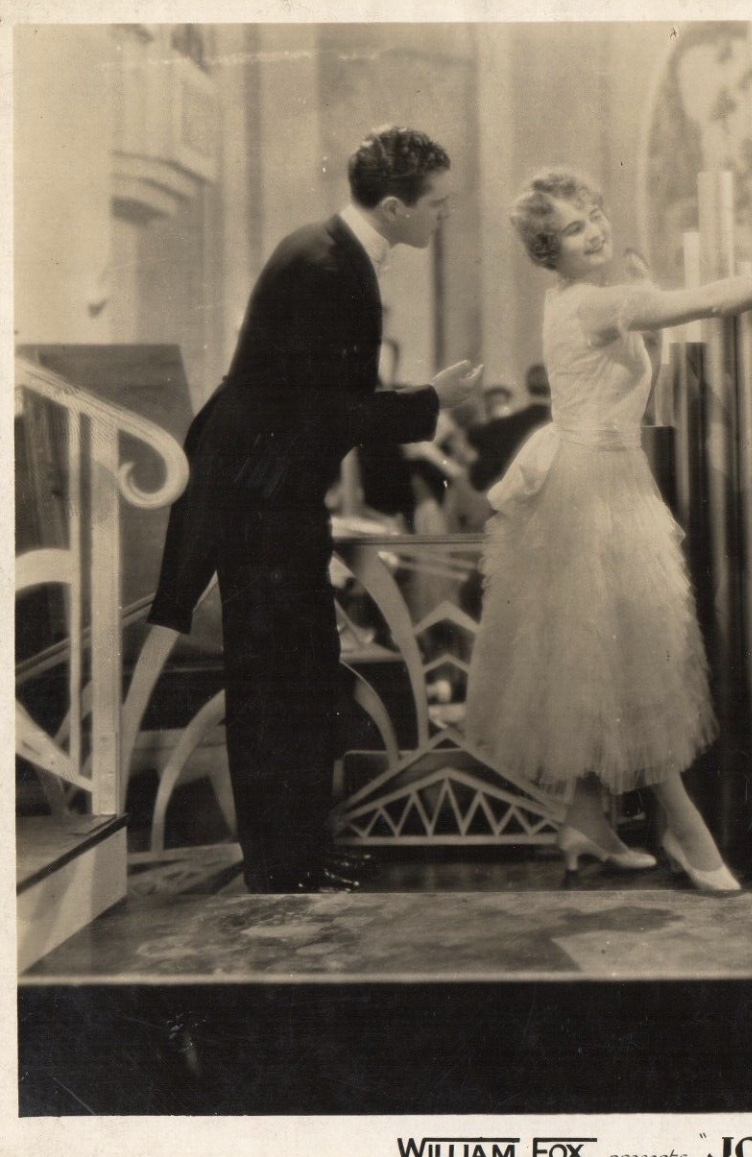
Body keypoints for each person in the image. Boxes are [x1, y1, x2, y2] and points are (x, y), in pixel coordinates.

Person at [462, 168, 752, 891]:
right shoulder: (594, 304)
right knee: (633, 658)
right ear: (552, 246)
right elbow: (707, 301)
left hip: (595, 475)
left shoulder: (577, 299)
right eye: (579, 228)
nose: (598, 231)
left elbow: (637, 339)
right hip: (595, 490)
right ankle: (684, 825)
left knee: (600, 657)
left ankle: (586, 818)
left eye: (597, 216)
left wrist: (641, 291)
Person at [147, 127, 482, 893]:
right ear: (395, 207)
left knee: (299, 672)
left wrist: (422, 395)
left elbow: (323, 403)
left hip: (273, 488)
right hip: (258, 494)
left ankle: (300, 850)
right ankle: (279, 864)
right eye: (437, 206)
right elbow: (333, 414)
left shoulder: (335, 251)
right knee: (274, 681)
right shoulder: (330, 265)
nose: (443, 217)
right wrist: (432, 400)